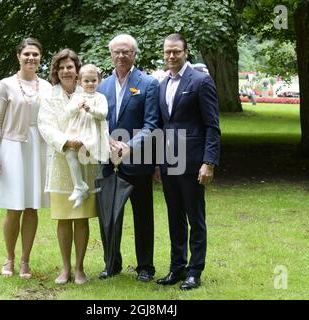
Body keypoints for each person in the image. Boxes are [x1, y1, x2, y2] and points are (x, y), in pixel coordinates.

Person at [155, 33, 221, 290]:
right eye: (167, 52)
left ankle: (195, 270)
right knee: (174, 217)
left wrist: (209, 162)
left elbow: (212, 126)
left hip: (193, 161)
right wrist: (159, 163)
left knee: (195, 217)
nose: (171, 56)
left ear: (186, 52)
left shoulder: (201, 81)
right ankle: (177, 267)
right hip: (170, 161)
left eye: (176, 52)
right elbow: (162, 126)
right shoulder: (162, 84)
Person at [0, 38, 52, 279]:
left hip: (38, 148)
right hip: (13, 147)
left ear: (40, 57)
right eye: (27, 54)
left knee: (32, 206)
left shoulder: (47, 86)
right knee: (14, 207)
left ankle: (25, 261)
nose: (31, 58)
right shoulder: (6, 85)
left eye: (35, 54)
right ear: (18, 56)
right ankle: (9, 258)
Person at [97, 34, 160, 282]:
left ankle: (145, 267)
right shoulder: (101, 86)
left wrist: (130, 146)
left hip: (139, 161)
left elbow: (152, 124)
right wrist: (107, 142)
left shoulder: (148, 83)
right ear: (111, 54)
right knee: (109, 216)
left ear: (134, 54)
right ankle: (111, 263)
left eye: (126, 51)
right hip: (108, 161)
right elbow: (97, 123)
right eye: (117, 52)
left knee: (143, 216)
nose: (121, 56)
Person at [38, 49, 99, 285]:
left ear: (77, 70)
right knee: (64, 219)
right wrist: (65, 141)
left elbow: (97, 122)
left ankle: (80, 268)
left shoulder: (89, 93)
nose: (66, 71)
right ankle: (65, 268)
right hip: (61, 162)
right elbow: (45, 125)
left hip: (84, 160)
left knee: (81, 219)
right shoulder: (50, 97)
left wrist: (84, 139)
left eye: (70, 67)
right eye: (61, 67)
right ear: (56, 71)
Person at [64, 64, 110, 209]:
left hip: (91, 133)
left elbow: (103, 114)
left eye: (93, 80)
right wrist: (76, 106)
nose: (90, 84)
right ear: (79, 82)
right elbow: (67, 113)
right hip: (76, 132)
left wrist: (90, 109)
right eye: (87, 81)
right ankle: (79, 186)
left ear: (99, 81)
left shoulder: (100, 97)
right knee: (70, 154)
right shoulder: (76, 96)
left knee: (92, 161)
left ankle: (91, 188)